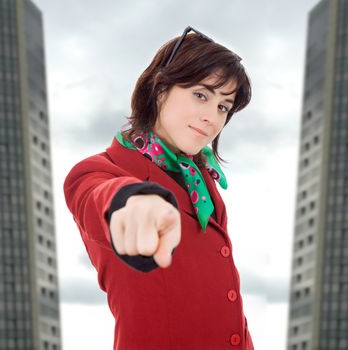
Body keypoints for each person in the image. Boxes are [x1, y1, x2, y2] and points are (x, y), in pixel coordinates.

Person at [63, 26, 254, 350]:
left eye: (223, 107)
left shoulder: (203, 181)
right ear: (160, 88)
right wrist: (134, 202)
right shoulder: (98, 171)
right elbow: (98, 197)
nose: (211, 116)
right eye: (201, 94)